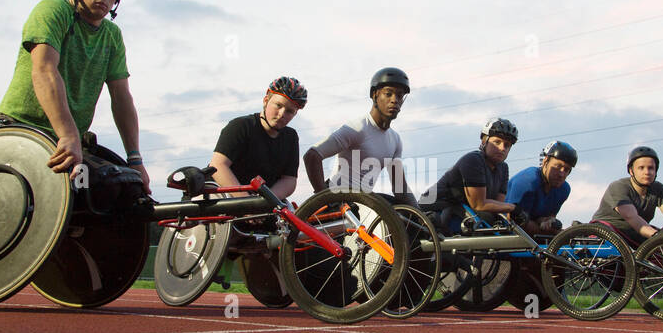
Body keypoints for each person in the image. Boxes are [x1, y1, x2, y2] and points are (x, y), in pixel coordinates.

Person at [0, 0, 150, 193]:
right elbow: (45, 70)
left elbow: (122, 97)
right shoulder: (54, 10)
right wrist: (68, 135)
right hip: (24, 129)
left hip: (70, 140)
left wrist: (135, 159)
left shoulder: (112, 35)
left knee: (126, 190)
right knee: (76, 188)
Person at [303, 67, 416, 205]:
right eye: (388, 94)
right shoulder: (357, 128)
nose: (394, 100)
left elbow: (400, 190)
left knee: (404, 217)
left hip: (364, 203)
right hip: (340, 202)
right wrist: (324, 200)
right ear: (374, 95)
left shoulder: (396, 140)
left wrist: (422, 218)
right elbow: (312, 155)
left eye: (399, 96)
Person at [208, 77, 307, 201]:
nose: (282, 114)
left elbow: (289, 179)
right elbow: (218, 165)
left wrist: (266, 201)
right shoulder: (240, 126)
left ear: (295, 114)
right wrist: (246, 203)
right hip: (224, 196)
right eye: (278, 105)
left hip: (262, 200)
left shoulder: (291, 137)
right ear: (266, 100)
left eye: (289, 111)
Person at [423, 118, 523, 233]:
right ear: (484, 141)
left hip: (463, 211)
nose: (502, 148)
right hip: (436, 209)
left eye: (507, 145)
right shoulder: (473, 160)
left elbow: (498, 206)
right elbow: (479, 204)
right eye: (497, 142)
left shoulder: (503, 168)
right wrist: (513, 208)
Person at [590, 145, 663, 244]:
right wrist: (658, 236)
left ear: (656, 171)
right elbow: (631, 217)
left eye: (651, 168)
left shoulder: (658, 188)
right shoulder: (618, 186)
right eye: (641, 168)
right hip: (609, 231)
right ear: (631, 171)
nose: (647, 172)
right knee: (661, 239)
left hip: (635, 233)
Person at [505, 140, 577, 236]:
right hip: (506, 233)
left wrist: (548, 222)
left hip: (534, 238)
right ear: (545, 162)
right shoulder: (528, 181)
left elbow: (548, 220)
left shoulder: (564, 189)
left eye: (567, 170)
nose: (561, 174)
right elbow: (515, 222)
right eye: (557, 166)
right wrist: (558, 233)